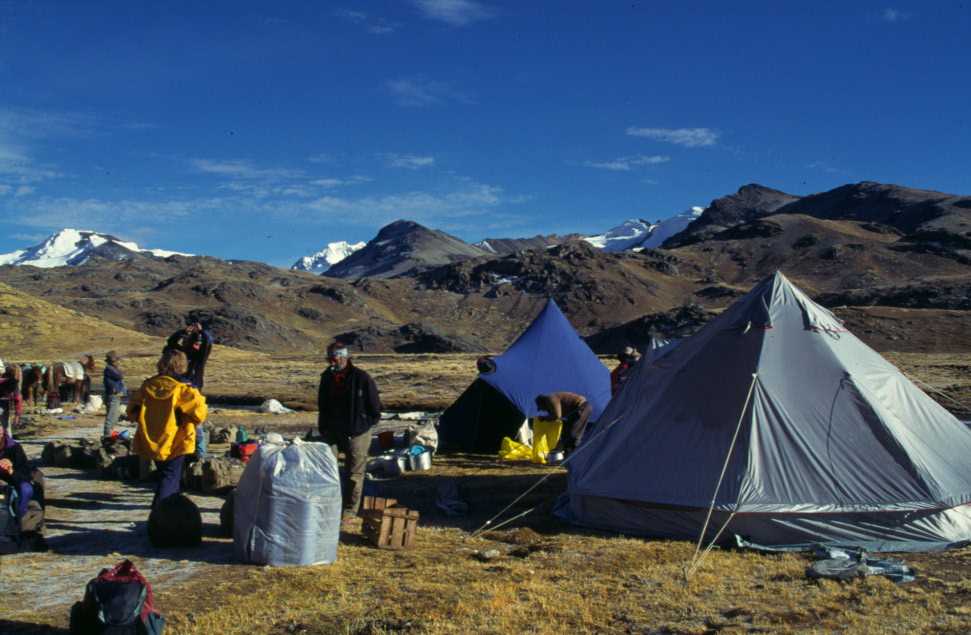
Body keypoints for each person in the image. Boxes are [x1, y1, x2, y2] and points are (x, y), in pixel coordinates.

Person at [128, 349, 208, 507]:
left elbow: (132, 410)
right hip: (176, 441)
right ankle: (161, 514)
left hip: (151, 438)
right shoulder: (182, 389)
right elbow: (199, 414)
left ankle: (167, 510)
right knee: (170, 477)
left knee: (165, 476)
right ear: (182, 365)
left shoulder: (147, 385)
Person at [317, 342, 381, 523]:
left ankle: (350, 510)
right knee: (327, 468)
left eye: (333, 358)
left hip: (357, 432)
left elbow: (375, 408)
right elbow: (322, 405)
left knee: (354, 473)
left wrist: (362, 425)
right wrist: (324, 427)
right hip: (332, 431)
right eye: (328, 358)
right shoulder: (326, 377)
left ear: (343, 357)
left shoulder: (361, 378)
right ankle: (330, 504)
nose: (330, 362)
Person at [0, 421, 44, 534]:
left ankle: (20, 520)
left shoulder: (15, 448)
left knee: (26, 489)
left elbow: (25, 475)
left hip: (13, 480)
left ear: (2, 431)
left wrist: (11, 470)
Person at [102, 351, 126, 438]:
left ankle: (110, 431)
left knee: (114, 415)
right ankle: (107, 433)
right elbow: (120, 376)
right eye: (116, 361)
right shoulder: (109, 369)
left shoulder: (110, 369)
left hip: (115, 395)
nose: (117, 363)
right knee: (111, 415)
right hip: (113, 395)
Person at [0, 365, 23, 430]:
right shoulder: (13, 382)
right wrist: (17, 415)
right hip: (3, 406)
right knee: (4, 429)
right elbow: (17, 398)